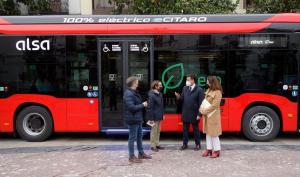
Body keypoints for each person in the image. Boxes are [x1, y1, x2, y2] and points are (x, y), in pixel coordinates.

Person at [123, 76, 152, 163]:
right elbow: (132, 108)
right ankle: (131, 156)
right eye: (137, 81)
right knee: (132, 138)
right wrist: (143, 105)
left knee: (139, 137)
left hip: (137, 118)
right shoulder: (128, 93)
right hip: (132, 119)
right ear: (133, 83)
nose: (138, 82)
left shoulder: (134, 92)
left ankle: (141, 153)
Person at [175, 74, 204, 151]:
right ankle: (185, 144)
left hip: (195, 114)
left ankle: (198, 144)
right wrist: (178, 97)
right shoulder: (185, 88)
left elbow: (201, 103)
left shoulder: (199, 90)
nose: (186, 81)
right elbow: (182, 99)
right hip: (185, 113)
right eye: (186, 80)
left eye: (188, 80)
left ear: (193, 80)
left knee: (196, 130)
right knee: (185, 130)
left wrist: (199, 114)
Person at [199, 76, 223, 158]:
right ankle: (208, 149)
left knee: (214, 134)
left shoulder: (218, 92)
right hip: (207, 116)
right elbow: (205, 101)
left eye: (207, 81)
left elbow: (215, 105)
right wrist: (202, 109)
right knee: (208, 133)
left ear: (212, 82)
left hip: (213, 116)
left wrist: (204, 111)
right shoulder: (208, 90)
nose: (206, 82)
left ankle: (217, 151)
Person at [147, 80, 164, 152]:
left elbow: (161, 106)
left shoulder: (159, 94)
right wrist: (151, 118)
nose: (161, 86)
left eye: (161, 85)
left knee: (158, 131)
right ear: (155, 86)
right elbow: (150, 108)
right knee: (153, 131)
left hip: (159, 116)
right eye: (159, 85)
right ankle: (153, 146)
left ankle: (157, 144)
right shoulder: (152, 95)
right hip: (154, 117)